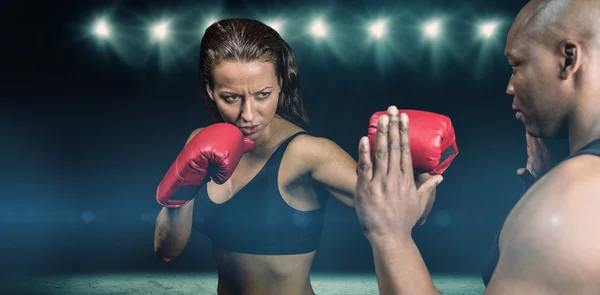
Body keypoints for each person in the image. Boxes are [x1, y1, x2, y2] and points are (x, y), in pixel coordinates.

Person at [152, 18, 457, 295]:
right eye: (231, 98)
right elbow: (167, 251)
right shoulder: (199, 143)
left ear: (280, 84)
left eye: (263, 95)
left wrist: (424, 170)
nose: (248, 114)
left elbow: (406, 218)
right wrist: (180, 192)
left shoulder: (306, 152)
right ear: (210, 89)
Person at [354, 0, 600, 294]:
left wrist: (390, 235)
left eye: (516, 64)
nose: (510, 86)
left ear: (568, 58)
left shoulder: (572, 203)